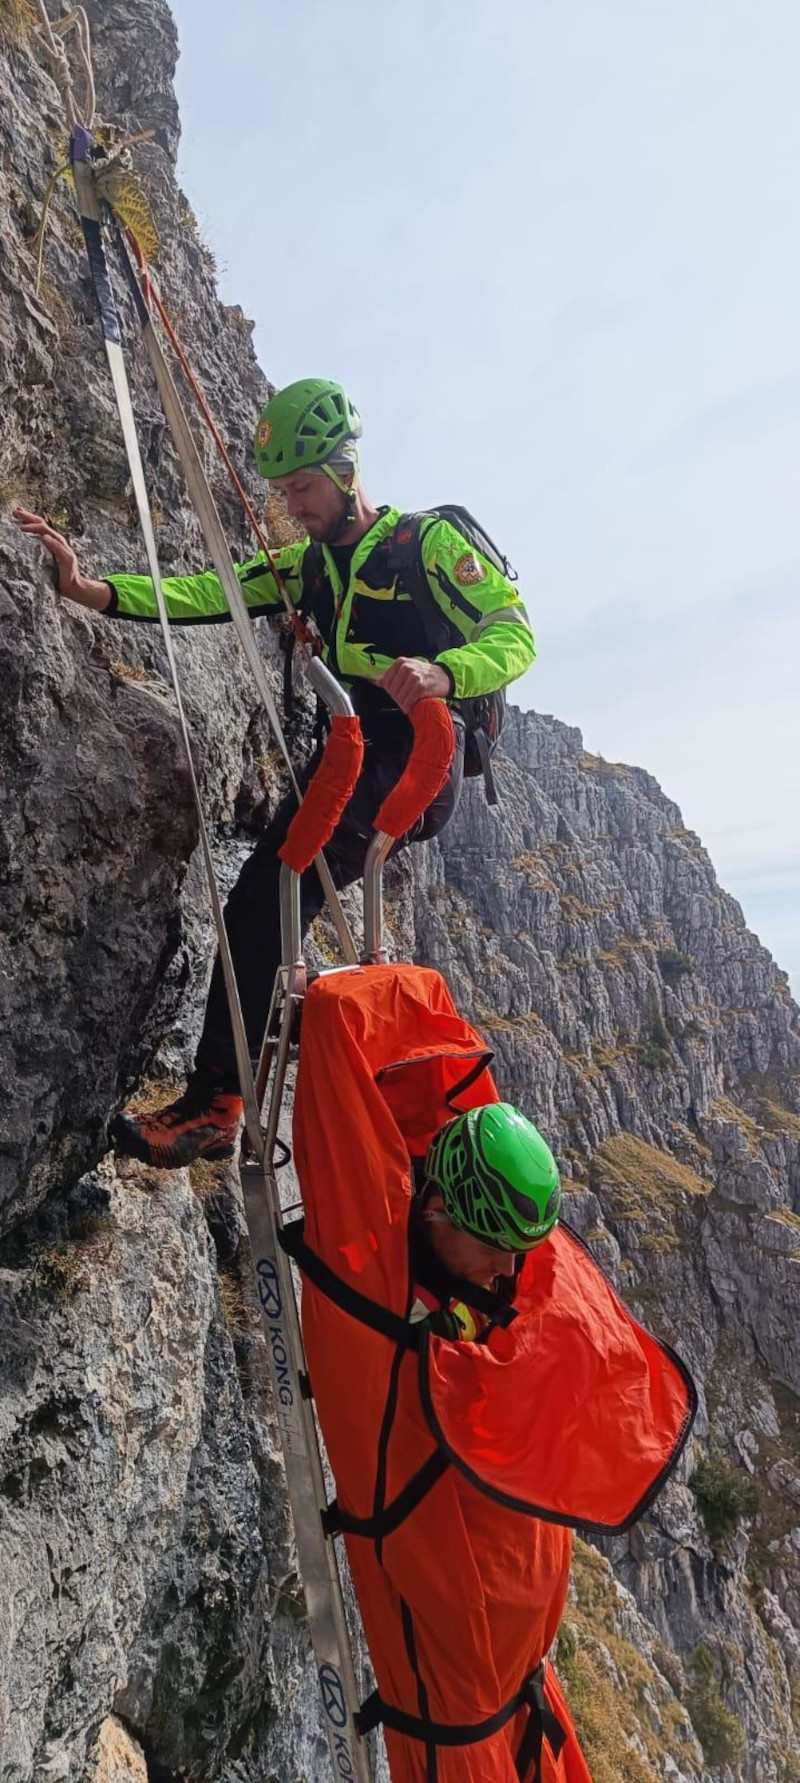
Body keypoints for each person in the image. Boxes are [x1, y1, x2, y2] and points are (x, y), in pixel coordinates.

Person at [13, 378, 535, 1167]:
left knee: (262, 896)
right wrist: (91, 589)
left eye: (305, 487)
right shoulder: (305, 567)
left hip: (415, 766)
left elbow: (514, 630)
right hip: (350, 754)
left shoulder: (425, 546)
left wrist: (445, 672)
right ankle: (250, 1060)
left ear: (347, 471)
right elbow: (204, 593)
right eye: (283, 492)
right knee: (265, 894)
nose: (294, 504)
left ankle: (218, 1102)